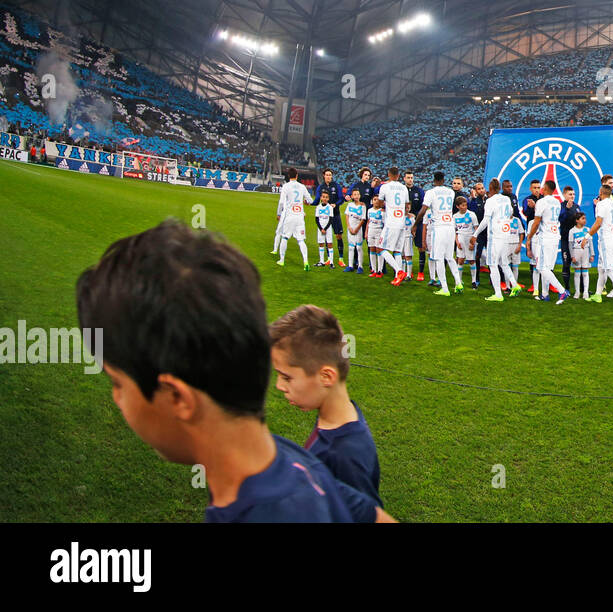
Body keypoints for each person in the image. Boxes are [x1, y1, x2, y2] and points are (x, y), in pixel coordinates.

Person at [75, 220, 393, 522]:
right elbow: (371, 514)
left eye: (118, 383)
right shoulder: (289, 458)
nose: (117, 399)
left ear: (177, 398)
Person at [269, 305, 382, 505]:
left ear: (326, 376)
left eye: (286, 377)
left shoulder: (345, 455)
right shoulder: (334, 417)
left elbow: (365, 513)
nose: (279, 386)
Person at [474, 179, 521, 301]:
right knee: (503, 262)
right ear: (499, 188)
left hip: (494, 236)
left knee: (492, 264)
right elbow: (511, 213)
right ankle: (515, 285)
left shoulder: (490, 201)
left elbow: (485, 221)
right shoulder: (506, 199)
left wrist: (475, 234)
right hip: (506, 234)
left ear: (490, 188)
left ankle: (498, 294)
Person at [527, 179, 569, 303]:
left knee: (541, 267)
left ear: (544, 189)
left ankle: (562, 291)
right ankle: (545, 294)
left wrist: (529, 236)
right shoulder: (557, 202)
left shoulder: (541, 202)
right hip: (555, 236)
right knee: (547, 267)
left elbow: (536, 222)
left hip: (545, 238)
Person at [420, 172, 458, 294]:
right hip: (450, 226)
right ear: (443, 180)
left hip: (439, 226)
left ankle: (445, 288)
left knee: (438, 258)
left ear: (434, 180)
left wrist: (415, 224)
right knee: (450, 257)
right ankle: (458, 283)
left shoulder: (431, 192)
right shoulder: (451, 192)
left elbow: (423, 210)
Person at [377, 168, 410, 285]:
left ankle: (399, 271)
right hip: (402, 222)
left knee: (381, 248)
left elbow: (380, 204)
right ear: (399, 175)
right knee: (397, 251)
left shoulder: (385, 187)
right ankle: (397, 278)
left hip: (391, 222)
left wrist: (387, 204)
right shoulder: (404, 187)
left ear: (388, 174)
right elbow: (407, 205)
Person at [276, 168, 313, 270]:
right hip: (300, 217)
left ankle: (282, 260)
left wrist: (279, 213)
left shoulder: (286, 186)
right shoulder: (302, 186)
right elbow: (310, 200)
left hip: (290, 216)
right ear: (297, 175)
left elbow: (281, 202)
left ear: (289, 176)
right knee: (301, 240)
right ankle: (306, 262)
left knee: (285, 237)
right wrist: (306, 202)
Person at [314, 167, 346, 263]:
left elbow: (341, 198)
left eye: (330, 175)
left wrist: (335, 204)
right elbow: (316, 200)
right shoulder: (320, 187)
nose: (328, 176)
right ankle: (329, 258)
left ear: (332, 176)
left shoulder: (336, 186)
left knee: (338, 235)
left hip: (335, 214)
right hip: (325, 217)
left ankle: (341, 258)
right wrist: (310, 203)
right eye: (327, 175)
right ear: (324, 176)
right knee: (326, 237)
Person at [403, 171, 426, 281]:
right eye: (408, 177)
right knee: (402, 247)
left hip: (418, 221)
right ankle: (405, 271)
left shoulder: (419, 191)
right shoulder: (401, 190)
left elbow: (423, 207)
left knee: (420, 247)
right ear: (404, 179)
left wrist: (416, 222)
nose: (410, 179)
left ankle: (420, 272)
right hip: (404, 222)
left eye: (411, 177)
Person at [452, 195, 477, 290]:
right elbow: (455, 231)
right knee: (460, 260)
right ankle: (459, 281)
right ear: (457, 206)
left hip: (469, 238)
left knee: (471, 260)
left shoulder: (471, 214)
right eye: (462, 205)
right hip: (461, 239)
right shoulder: (455, 216)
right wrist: (457, 242)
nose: (465, 207)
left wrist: (473, 241)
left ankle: (473, 281)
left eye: (465, 205)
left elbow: (476, 229)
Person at [558, 185, 580, 289]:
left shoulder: (577, 207)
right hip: (565, 239)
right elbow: (560, 219)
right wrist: (567, 209)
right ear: (564, 195)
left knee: (579, 265)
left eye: (574, 194)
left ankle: (582, 288)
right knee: (566, 264)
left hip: (576, 241)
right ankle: (566, 288)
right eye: (570, 194)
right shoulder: (561, 206)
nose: (572, 196)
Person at [568, 212, 592, 300]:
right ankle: (577, 292)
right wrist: (572, 256)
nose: (585, 220)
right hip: (576, 252)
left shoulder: (587, 230)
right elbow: (570, 244)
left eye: (585, 218)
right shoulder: (572, 231)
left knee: (585, 272)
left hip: (586, 252)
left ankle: (585, 292)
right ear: (577, 220)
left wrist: (592, 254)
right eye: (583, 218)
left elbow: (591, 243)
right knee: (577, 273)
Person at [343, 188, 366, 273]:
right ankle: (350, 266)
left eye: (358, 194)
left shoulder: (363, 206)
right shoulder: (350, 205)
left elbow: (363, 219)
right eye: (354, 194)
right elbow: (347, 216)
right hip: (350, 229)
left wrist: (356, 229)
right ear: (352, 196)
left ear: (360, 196)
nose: (356, 196)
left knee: (359, 247)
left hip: (358, 230)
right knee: (351, 247)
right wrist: (349, 227)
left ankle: (360, 266)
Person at [366, 197, 385, 277]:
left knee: (379, 250)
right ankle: (374, 269)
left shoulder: (382, 212)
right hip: (371, 231)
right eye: (374, 199)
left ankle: (380, 270)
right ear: (372, 201)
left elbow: (385, 224)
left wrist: (383, 235)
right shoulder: (369, 210)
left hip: (379, 231)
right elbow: (368, 221)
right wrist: (366, 232)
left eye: (378, 200)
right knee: (372, 249)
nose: (376, 201)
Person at [314, 196, 335, 268]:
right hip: (320, 228)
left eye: (326, 197)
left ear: (328, 199)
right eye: (323, 197)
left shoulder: (330, 207)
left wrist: (325, 229)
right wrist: (321, 229)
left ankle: (331, 262)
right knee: (321, 244)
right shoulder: (318, 207)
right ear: (321, 198)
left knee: (329, 244)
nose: (325, 199)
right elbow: (316, 219)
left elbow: (331, 219)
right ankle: (321, 261)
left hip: (328, 228)